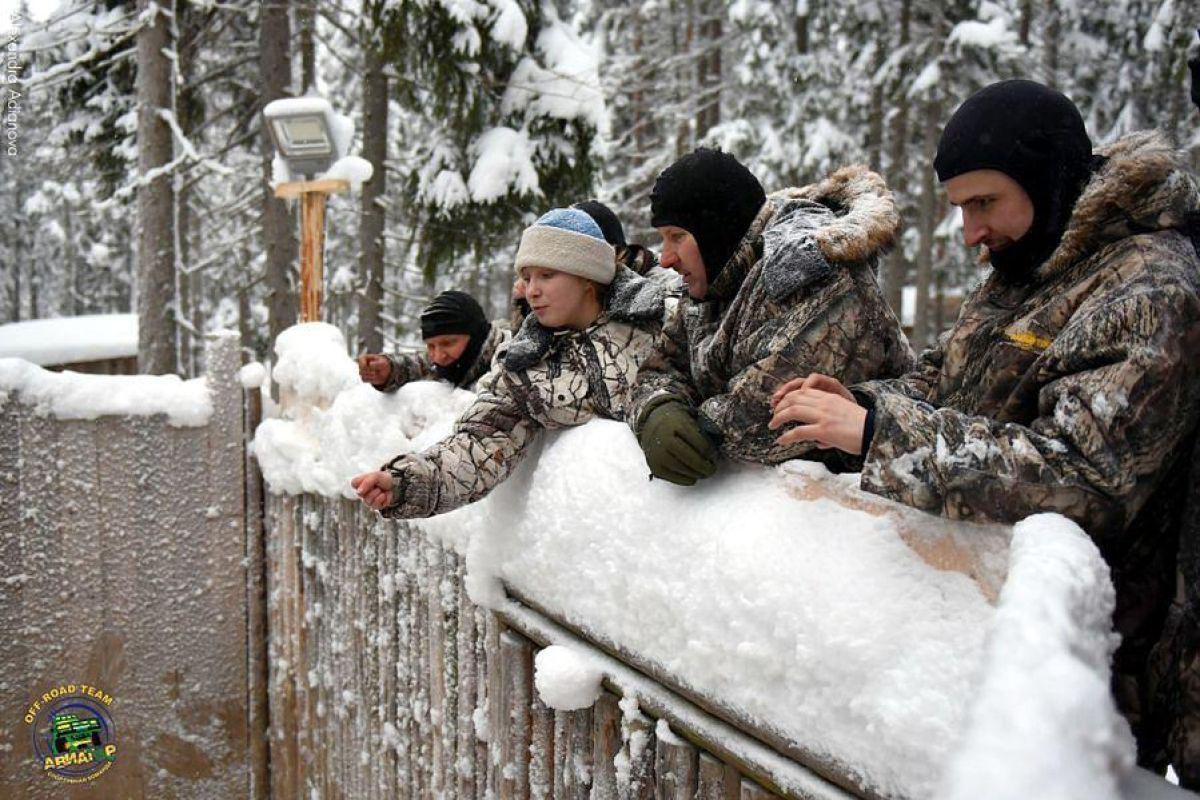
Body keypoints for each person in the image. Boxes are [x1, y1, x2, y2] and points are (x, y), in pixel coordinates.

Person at [768, 79, 1200, 784]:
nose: (970, 232)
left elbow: (1085, 476)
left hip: (1096, 671)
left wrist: (878, 433)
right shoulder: (1032, 259)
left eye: (983, 203)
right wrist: (854, 401)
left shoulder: (1148, 292)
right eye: (960, 208)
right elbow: (948, 381)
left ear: (1048, 176)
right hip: (974, 616)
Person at [352, 208, 668, 518]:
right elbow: (479, 443)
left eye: (547, 275)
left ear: (588, 276)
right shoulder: (525, 364)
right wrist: (405, 482)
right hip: (607, 533)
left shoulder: (663, 317)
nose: (532, 290)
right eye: (527, 277)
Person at [628, 148, 913, 485]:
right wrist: (657, 408)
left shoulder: (812, 273)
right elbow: (661, 367)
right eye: (662, 239)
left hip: (851, 517)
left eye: (677, 236)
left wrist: (693, 419)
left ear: (718, 228)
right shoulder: (715, 277)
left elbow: (762, 417)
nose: (664, 259)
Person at [357, 290, 508, 393]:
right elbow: (422, 365)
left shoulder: (511, 368)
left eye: (448, 343)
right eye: (430, 346)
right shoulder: (464, 363)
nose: (437, 356)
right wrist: (389, 369)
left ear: (478, 335)